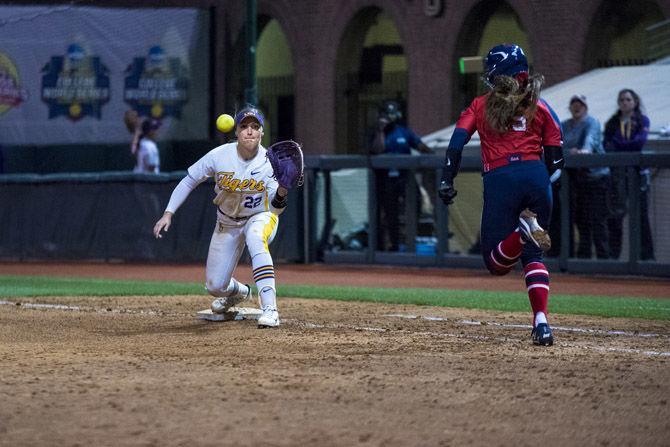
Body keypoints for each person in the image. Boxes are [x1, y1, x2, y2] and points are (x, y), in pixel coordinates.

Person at [438, 44, 563, 346]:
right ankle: (542, 322)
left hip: (500, 178)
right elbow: (557, 161)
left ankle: (521, 233)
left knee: (496, 264)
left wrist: (446, 178)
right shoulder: (541, 106)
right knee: (534, 256)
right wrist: (544, 187)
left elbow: (456, 143)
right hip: (537, 177)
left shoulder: (481, 105)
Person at [153, 105, 289, 328]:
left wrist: (283, 190)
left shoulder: (270, 162)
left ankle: (270, 310)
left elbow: (276, 209)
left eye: (255, 127)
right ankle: (240, 292)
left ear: (262, 132)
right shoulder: (219, 155)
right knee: (215, 285)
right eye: (244, 126)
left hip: (260, 216)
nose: (249, 131)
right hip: (226, 222)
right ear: (236, 131)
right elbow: (189, 180)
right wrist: (168, 212)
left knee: (256, 238)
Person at [368, 100, 433, 251]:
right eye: (388, 114)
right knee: (391, 213)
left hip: (405, 177)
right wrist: (381, 131)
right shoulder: (377, 133)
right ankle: (394, 245)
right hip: (386, 179)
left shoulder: (403, 131)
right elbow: (377, 149)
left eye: (394, 114)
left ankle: (410, 236)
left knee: (416, 202)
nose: (392, 117)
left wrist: (433, 155)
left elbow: (419, 145)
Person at [603, 89, 654, 261]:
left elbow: (639, 142)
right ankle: (613, 257)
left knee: (641, 216)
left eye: (628, 99)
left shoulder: (642, 120)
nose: (625, 102)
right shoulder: (612, 122)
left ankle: (647, 258)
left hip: (638, 174)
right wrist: (623, 143)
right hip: (617, 174)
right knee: (616, 216)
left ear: (635, 102)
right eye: (622, 100)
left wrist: (621, 143)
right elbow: (607, 144)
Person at [562, 94, 610, 259]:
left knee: (598, 221)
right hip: (576, 180)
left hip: (597, 179)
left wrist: (583, 151)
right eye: (574, 104)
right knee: (581, 222)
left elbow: (589, 142)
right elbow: (555, 146)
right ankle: (584, 261)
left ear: (585, 107)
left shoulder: (592, 122)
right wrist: (570, 152)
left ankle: (605, 262)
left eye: (580, 104)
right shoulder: (564, 125)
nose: (577, 107)